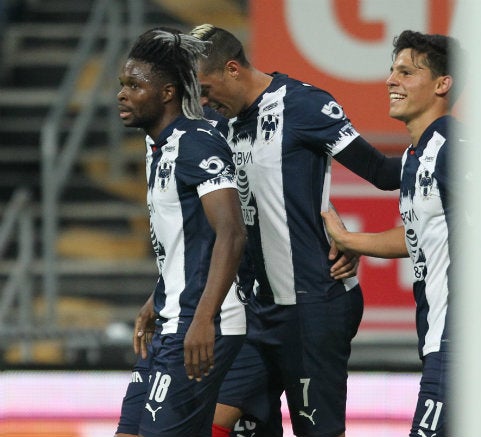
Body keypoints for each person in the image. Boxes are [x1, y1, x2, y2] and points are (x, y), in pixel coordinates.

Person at [190, 24, 402, 437]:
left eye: (206, 87)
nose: (203, 100)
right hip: (254, 309)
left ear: (233, 69)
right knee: (214, 421)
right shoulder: (221, 127)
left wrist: (441, 152)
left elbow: (381, 173)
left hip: (312, 305)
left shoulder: (303, 105)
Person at [321, 30, 467, 437]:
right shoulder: (417, 156)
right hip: (439, 337)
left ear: (442, 84)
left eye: (405, 72)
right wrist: (350, 241)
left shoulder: (455, 148)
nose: (390, 80)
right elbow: (418, 232)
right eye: (392, 71)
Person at [115, 27, 247, 437]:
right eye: (122, 84)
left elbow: (231, 232)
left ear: (167, 93)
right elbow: (188, 241)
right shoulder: (161, 147)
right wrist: (158, 297)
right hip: (172, 316)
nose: (122, 94)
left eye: (135, 86)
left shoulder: (196, 144)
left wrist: (204, 319)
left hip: (201, 322)